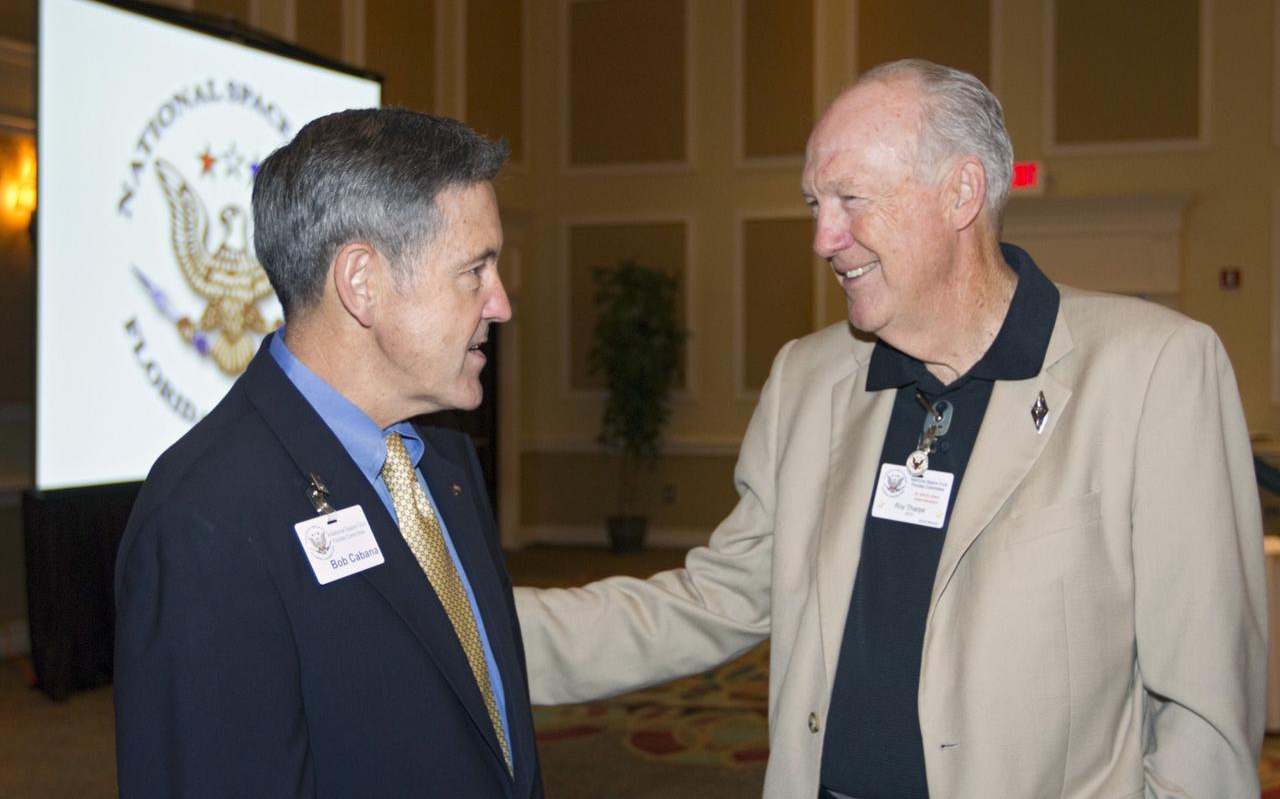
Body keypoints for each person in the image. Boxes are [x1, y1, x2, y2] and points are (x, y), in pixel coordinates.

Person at [514, 60, 1266, 798]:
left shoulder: (1152, 369)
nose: (822, 238)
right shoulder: (809, 379)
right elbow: (717, 597)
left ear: (961, 193)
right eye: (815, 203)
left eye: (850, 198)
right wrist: (469, 625)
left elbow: (1205, 698)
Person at [114, 108, 542, 797]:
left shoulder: (447, 470)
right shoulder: (205, 518)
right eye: (474, 270)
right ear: (362, 282)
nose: (500, 304)